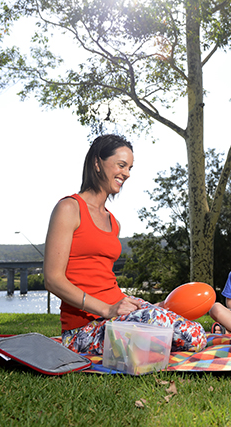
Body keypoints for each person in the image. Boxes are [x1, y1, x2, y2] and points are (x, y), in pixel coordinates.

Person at [43, 134, 206, 354]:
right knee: (190, 336)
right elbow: (53, 279)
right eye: (121, 165)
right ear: (97, 163)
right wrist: (107, 309)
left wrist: (132, 305)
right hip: (83, 331)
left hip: (117, 310)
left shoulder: (113, 222)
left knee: (193, 328)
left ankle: (148, 337)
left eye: (130, 168)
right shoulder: (69, 208)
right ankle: (148, 341)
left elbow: (101, 278)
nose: (127, 174)